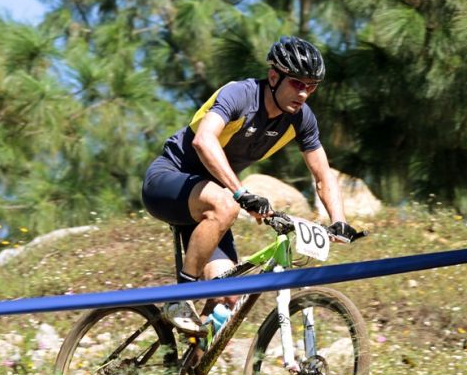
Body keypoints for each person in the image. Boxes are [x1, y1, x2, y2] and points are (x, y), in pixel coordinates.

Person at [141, 36, 359, 336]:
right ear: (274, 76)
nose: (304, 93)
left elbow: (323, 174)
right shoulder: (241, 94)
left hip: (213, 199)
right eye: (297, 83)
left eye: (312, 86)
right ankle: (179, 298)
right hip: (169, 180)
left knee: (230, 296)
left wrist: (339, 221)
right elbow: (203, 141)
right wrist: (241, 193)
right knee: (225, 204)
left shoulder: (301, 119)